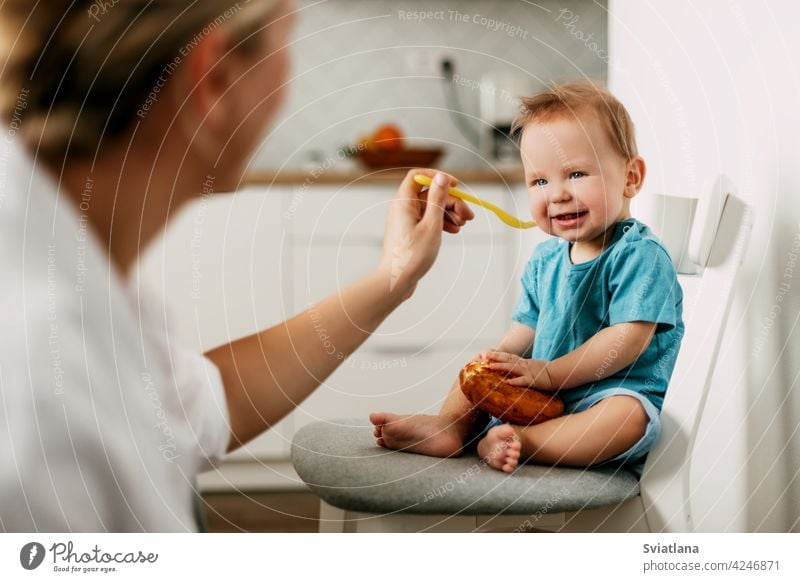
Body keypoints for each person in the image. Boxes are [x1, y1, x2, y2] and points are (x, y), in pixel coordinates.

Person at [0, 0, 474, 531]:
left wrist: (394, 276)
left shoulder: (64, 274)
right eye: (287, 44)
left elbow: (196, 403)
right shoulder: (40, 369)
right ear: (217, 79)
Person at [371, 81, 685, 475]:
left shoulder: (639, 254)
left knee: (629, 417)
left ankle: (523, 441)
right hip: (544, 395)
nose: (556, 195)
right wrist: (499, 358)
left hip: (606, 396)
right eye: (539, 181)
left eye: (575, 173)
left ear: (631, 177)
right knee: (481, 366)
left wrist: (551, 372)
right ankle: (450, 428)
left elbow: (627, 339)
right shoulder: (545, 258)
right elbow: (527, 329)